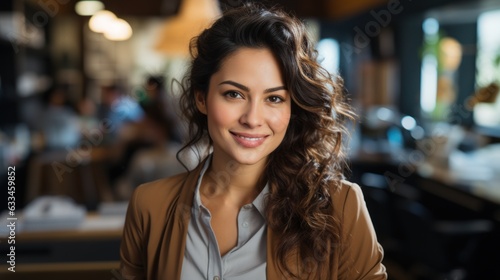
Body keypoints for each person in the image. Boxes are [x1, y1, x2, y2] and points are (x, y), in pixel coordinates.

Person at [120, 3, 387, 279]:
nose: (253, 118)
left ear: (292, 107)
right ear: (202, 98)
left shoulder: (341, 207)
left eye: (274, 98)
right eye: (234, 94)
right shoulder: (150, 206)